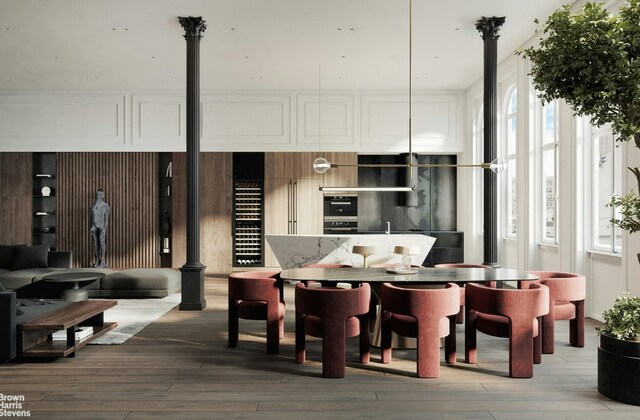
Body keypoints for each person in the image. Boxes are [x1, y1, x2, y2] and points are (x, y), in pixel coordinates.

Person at [90, 188, 110, 268]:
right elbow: (91, 217)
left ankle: (102, 260)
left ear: (103, 195)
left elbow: (106, 218)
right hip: (94, 227)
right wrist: (91, 226)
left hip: (101, 227)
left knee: (102, 243)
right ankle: (97, 260)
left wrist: (104, 227)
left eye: (100, 194)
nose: (98, 196)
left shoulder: (106, 206)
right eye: (97, 194)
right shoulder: (92, 206)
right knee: (95, 244)